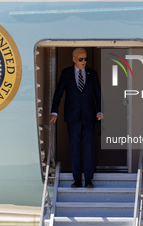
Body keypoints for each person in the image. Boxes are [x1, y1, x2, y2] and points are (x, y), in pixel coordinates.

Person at [50, 48, 102, 188]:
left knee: (88, 148)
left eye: (85, 59)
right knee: (75, 148)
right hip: (72, 117)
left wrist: (100, 111)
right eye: (80, 59)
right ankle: (77, 179)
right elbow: (58, 93)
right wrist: (54, 111)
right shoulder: (66, 73)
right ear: (74, 59)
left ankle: (89, 179)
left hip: (89, 116)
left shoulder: (92, 74)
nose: (83, 62)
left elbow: (98, 95)